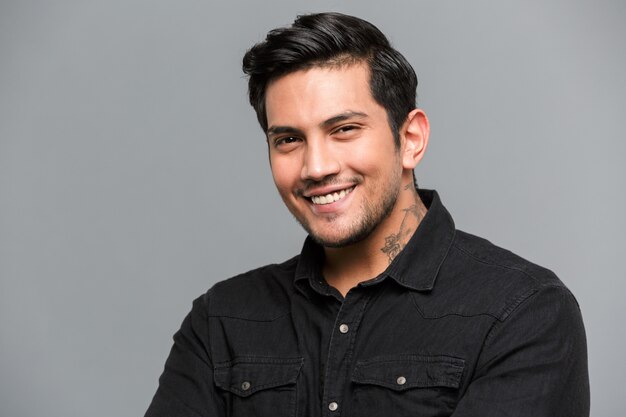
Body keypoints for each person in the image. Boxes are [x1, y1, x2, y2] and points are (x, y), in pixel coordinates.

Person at [145, 12, 589, 417]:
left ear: (411, 138)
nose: (316, 167)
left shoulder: (523, 312)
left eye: (344, 130)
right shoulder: (221, 320)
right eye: (288, 140)